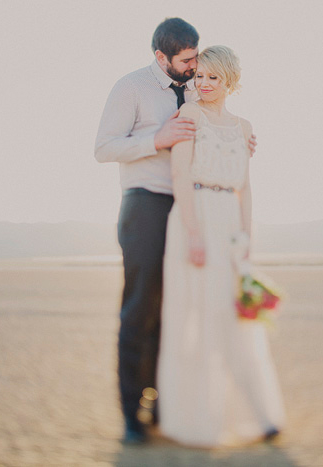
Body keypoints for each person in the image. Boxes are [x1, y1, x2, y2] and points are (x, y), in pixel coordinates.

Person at [94, 18, 256, 444]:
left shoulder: (196, 88)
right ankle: (132, 413)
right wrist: (157, 138)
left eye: (196, 59)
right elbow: (103, 147)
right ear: (160, 57)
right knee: (140, 310)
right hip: (147, 203)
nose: (193, 68)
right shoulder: (131, 88)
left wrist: (237, 142)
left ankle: (167, 404)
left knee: (180, 310)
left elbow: (216, 129)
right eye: (186, 61)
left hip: (195, 209)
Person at [157, 45, 285, 447]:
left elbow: (245, 189)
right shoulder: (189, 115)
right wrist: (194, 235)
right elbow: (180, 175)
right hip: (195, 218)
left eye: (214, 77)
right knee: (199, 318)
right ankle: (199, 420)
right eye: (200, 76)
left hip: (229, 223)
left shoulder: (245, 127)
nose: (204, 84)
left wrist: (246, 239)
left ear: (230, 81)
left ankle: (258, 415)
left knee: (235, 318)